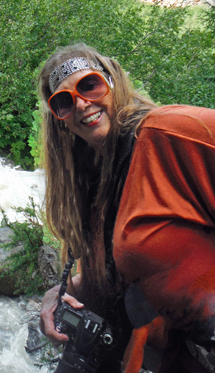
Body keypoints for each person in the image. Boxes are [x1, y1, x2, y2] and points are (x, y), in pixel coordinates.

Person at [38, 43, 215, 373]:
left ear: (112, 80)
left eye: (89, 85)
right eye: (63, 102)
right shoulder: (96, 174)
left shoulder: (170, 133)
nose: (81, 104)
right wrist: (57, 292)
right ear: (59, 119)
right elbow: (119, 271)